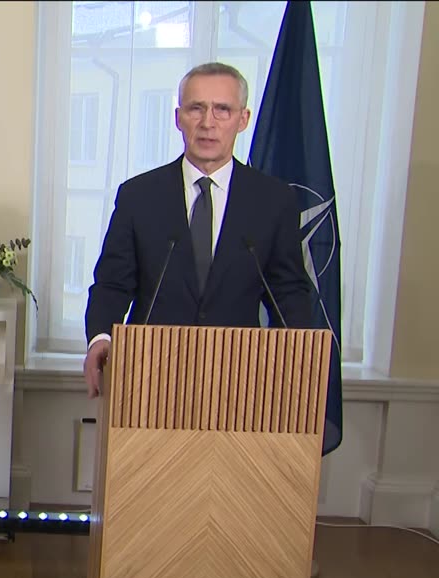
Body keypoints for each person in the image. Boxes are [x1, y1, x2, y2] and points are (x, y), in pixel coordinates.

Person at [83, 62, 313, 399]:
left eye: (222, 109)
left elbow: (288, 291)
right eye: (196, 108)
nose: (208, 123)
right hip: (150, 379)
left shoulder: (273, 200)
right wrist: (101, 338)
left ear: (243, 119)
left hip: (241, 381)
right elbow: (112, 285)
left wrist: (299, 356)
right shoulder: (139, 196)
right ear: (178, 118)